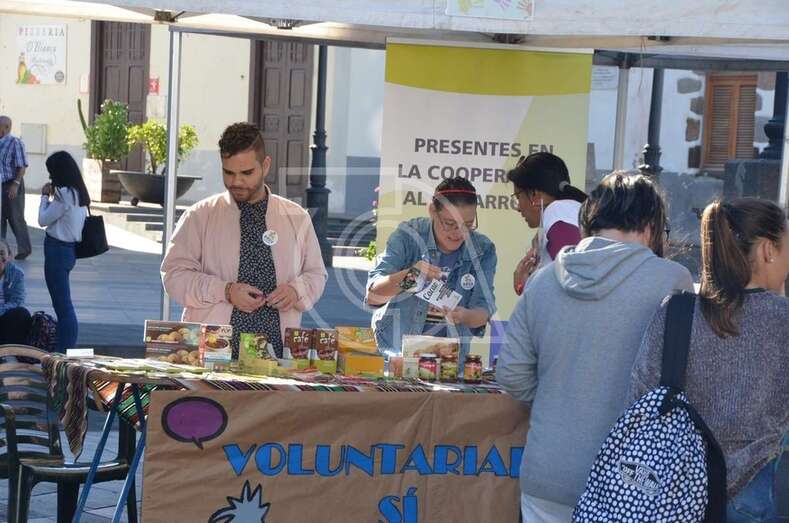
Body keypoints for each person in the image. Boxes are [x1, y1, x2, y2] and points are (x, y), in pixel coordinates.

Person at [497, 172, 693, 522]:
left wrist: (558, 398)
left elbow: (511, 374)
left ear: (589, 221)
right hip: (633, 483)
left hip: (548, 476)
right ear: (650, 225)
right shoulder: (671, 280)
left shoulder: (541, 282)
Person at [629, 198, 789, 522]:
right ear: (768, 250)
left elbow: (639, 400)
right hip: (760, 493)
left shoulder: (675, 312)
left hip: (674, 493)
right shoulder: (783, 320)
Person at [161, 122, 327, 357]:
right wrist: (225, 291)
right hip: (212, 354)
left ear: (265, 165)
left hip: (277, 355)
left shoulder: (296, 217)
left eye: (247, 173)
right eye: (228, 173)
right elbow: (174, 276)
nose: (236, 182)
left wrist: (295, 291)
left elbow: (316, 274)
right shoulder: (200, 215)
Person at [366, 177, 497, 362]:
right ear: (432, 211)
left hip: (449, 363)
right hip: (398, 357)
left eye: (467, 225)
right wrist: (411, 275)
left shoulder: (483, 249)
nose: (458, 233)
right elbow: (373, 295)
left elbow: (484, 311)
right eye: (450, 223)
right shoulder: (407, 236)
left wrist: (465, 316)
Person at [508, 152, 587, 295]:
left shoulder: (557, 211)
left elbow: (574, 282)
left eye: (518, 197)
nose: (518, 207)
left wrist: (524, 286)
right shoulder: (567, 212)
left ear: (535, 195)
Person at [38, 151, 89, 352]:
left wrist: (44, 196)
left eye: (51, 172)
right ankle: (64, 350)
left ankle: (63, 353)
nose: (50, 177)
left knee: (63, 308)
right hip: (68, 252)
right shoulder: (79, 193)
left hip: (57, 251)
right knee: (64, 306)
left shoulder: (64, 194)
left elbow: (42, 220)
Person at [0, 115, 32, 260]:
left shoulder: (15, 143)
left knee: (15, 217)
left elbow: (22, 166)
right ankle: (2, 250)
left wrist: (15, 184)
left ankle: (24, 249)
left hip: (12, 183)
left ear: (5, 128)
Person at [0, 239, 32, 343]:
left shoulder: (17, 274)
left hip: (5, 315)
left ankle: (9, 352)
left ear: (9, 256)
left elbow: (18, 302)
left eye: (2, 253)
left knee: (22, 314)